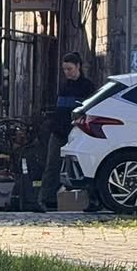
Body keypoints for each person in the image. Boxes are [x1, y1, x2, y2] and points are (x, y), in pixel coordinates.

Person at [40, 52, 93, 210]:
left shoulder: (87, 87)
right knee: (52, 165)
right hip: (59, 130)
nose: (67, 72)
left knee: (84, 165)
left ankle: (93, 199)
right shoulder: (63, 86)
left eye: (69, 69)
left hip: (78, 132)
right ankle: (47, 199)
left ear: (78, 67)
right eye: (64, 69)